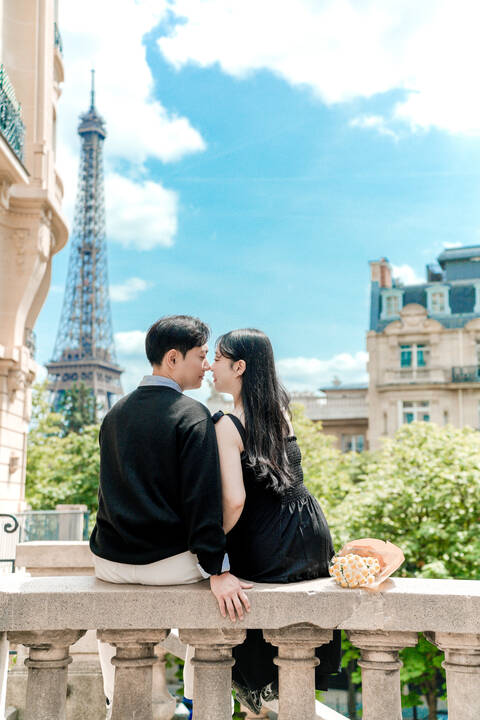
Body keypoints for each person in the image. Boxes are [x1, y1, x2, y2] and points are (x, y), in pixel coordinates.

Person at [89, 315, 251, 711]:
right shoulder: (192, 414)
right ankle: (198, 702)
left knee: (111, 625)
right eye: (201, 356)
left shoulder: (115, 414)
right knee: (219, 599)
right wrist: (218, 569)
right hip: (164, 564)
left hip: (109, 562)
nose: (207, 365)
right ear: (174, 359)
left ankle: (114, 698)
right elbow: (202, 501)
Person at [210, 328, 341, 714]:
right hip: (308, 529)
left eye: (217, 359)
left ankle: (258, 691)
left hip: (267, 536)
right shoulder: (280, 412)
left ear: (239, 367)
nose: (212, 367)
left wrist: (211, 547)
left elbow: (235, 501)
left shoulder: (227, 425)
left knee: (244, 624)